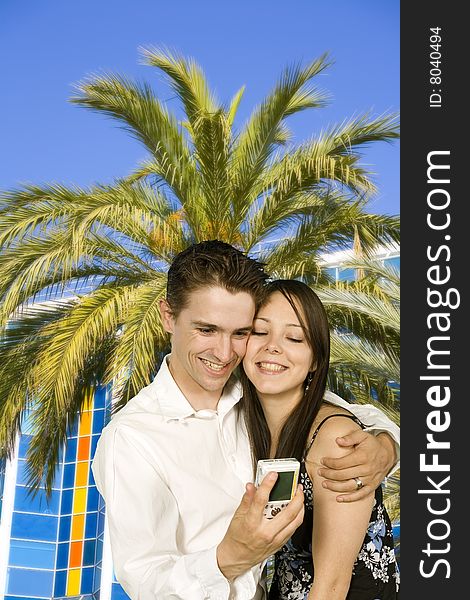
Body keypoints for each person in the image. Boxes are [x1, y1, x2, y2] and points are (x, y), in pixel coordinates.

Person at [91, 240, 400, 600]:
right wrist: (229, 558)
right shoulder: (132, 439)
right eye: (206, 330)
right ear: (168, 317)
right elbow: (145, 580)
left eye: (240, 333)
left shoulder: (252, 390)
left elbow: (332, 414)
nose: (224, 354)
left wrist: (387, 444)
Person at [240, 279, 399, 599]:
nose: (273, 346)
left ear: (315, 359)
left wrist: (388, 445)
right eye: (260, 331)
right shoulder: (244, 424)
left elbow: (332, 586)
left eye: (294, 337)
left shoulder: (337, 441)